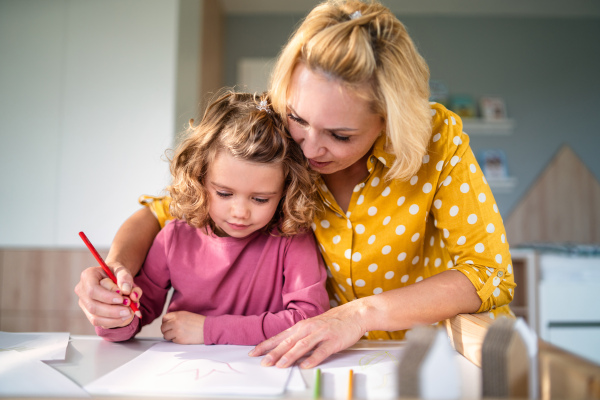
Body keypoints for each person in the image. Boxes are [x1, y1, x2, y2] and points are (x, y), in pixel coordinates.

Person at [75, 0, 515, 367]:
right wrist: (116, 275)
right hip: (328, 357)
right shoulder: (273, 128)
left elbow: (490, 274)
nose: (306, 147)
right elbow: (161, 211)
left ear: (389, 122)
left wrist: (358, 315)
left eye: (340, 136)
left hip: (432, 355)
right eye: (299, 119)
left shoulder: (434, 141)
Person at [90, 90, 329, 345]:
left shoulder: (291, 238)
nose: (240, 212)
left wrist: (209, 330)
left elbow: (309, 320)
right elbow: (135, 316)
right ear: (200, 178)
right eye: (224, 193)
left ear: (285, 190)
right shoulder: (173, 238)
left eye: (260, 199)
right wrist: (114, 313)